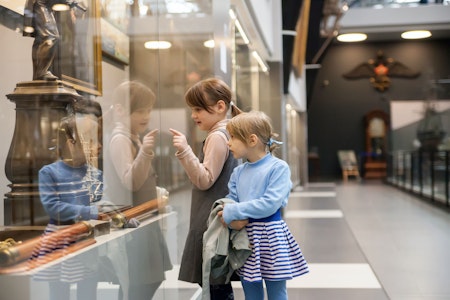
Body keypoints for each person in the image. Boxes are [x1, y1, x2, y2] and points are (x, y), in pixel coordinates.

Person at [219, 111, 310, 300]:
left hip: (272, 237)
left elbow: (269, 204)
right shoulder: (237, 172)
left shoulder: (279, 168)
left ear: (252, 140)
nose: (228, 143)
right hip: (244, 240)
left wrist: (232, 212)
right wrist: (229, 218)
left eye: (233, 137)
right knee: (250, 292)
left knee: (277, 292)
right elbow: (230, 200)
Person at [169, 77, 243, 300]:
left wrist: (184, 151)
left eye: (198, 109)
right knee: (218, 285)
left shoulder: (218, 137)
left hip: (211, 221)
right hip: (218, 219)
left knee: (215, 287)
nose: (194, 115)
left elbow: (205, 179)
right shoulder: (228, 132)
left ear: (220, 107)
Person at [102, 80, 172, 300]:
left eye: (149, 110)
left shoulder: (130, 136)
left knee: (141, 282)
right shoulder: (120, 139)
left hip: (142, 219)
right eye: (140, 110)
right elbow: (130, 181)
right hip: (134, 222)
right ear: (122, 110)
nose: (146, 116)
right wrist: (146, 153)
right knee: (139, 284)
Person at [31, 102, 103, 300]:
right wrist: (91, 212)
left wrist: (119, 217)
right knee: (58, 290)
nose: (97, 146)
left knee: (88, 287)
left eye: (96, 140)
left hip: (84, 235)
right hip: (60, 237)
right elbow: (53, 207)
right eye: (89, 140)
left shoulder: (95, 174)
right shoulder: (49, 172)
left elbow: (99, 202)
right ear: (71, 143)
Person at [23, 0, 86, 80]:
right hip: (41, 4)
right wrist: (69, 2)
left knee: (42, 39)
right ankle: (41, 73)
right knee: (51, 36)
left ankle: (39, 74)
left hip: (44, 6)